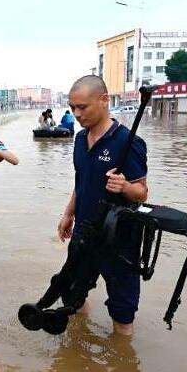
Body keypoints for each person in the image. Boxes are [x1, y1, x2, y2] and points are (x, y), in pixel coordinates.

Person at [57, 75, 148, 336]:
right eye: (72, 107)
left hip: (119, 238)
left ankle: (122, 361)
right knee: (73, 293)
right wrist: (68, 214)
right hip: (85, 231)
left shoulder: (128, 143)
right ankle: (80, 342)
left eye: (82, 107)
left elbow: (142, 193)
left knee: (122, 310)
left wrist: (126, 187)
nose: (76, 114)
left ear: (104, 100)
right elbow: (81, 181)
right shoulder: (79, 140)